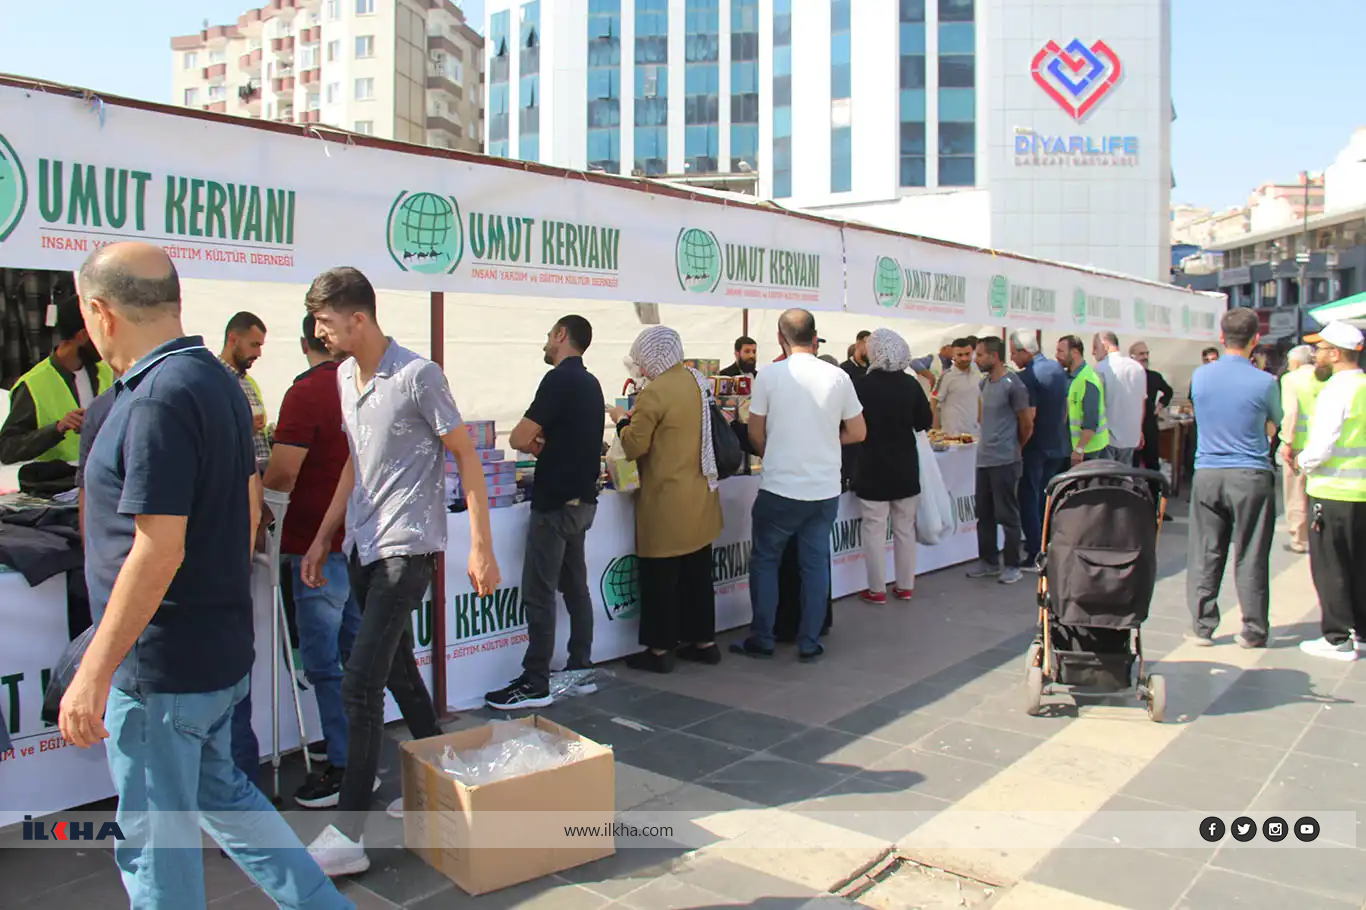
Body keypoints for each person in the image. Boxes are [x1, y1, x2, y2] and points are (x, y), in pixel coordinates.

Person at [60, 242, 351, 910]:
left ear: (101, 313)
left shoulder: (158, 398)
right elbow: (246, 509)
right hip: (213, 656)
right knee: (229, 801)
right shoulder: (216, 382)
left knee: (156, 851)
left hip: (162, 669)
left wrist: (96, 672)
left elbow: (158, 551)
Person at [300, 267, 500, 876]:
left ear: (357, 318)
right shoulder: (340, 378)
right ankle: (448, 785)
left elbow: (465, 455)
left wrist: (480, 546)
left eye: (325, 322)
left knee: (360, 684)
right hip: (362, 546)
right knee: (400, 677)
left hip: (408, 549)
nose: (318, 331)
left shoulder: (418, 376)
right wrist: (321, 537)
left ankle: (348, 833)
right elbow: (352, 466)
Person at [253, 314, 364, 809]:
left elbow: (281, 475)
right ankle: (357, 754)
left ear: (306, 343)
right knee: (358, 657)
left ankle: (345, 764)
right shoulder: (365, 385)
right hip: (357, 542)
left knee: (324, 663)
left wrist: (258, 517)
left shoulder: (308, 393)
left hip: (314, 545)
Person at [732, 309, 866, 662]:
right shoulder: (837, 376)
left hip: (780, 486)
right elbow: (858, 431)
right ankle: (809, 640)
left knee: (765, 561)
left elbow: (755, 433)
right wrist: (822, 439)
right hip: (823, 489)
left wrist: (778, 450)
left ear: (780, 337)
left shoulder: (771, 376)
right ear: (815, 335)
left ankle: (763, 636)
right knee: (815, 564)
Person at [487, 316, 605, 706]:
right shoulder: (590, 382)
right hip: (582, 501)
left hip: (555, 504)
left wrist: (537, 442)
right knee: (575, 587)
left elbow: (519, 436)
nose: (545, 343)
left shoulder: (559, 380)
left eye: (548, 336)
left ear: (560, 335)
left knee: (539, 592)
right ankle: (580, 665)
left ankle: (535, 680)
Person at [608, 327, 723, 673]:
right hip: (700, 494)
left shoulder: (655, 393)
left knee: (660, 576)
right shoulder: (694, 379)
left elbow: (634, 446)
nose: (639, 368)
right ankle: (704, 642)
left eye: (641, 361)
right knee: (698, 574)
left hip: (666, 499)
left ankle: (659, 650)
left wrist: (620, 421)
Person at [1187, 308, 1281, 649]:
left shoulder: (1201, 376)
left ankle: (1202, 625)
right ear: (1256, 340)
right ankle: (1253, 629)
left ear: (1222, 338)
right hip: (1251, 473)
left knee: (1205, 550)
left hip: (1208, 472)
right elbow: (1275, 423)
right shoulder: (1266, 382)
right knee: (1251, 552)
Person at [1296, 322, 1366, 661]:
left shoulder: (1336, 391)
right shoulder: (1364, 386)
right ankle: (1362, 632)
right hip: (1361, 492)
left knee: (1331, 567)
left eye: (1320, 349)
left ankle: (1337, 637)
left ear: (1335, 354)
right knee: (1359, 565)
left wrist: (1302, 461)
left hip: (1333, 491)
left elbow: (1322, 445)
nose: (1315, 356)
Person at [0, 295, 115, 492]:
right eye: (101, 332)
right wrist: (57, 429)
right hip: (58, 489)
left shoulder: (106, 371)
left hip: (103, 482)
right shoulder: (33, 384)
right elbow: (7, 450)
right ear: (82, 335)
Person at [851, 329, 933, 603]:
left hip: (872, 466)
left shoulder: (861, 385)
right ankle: (905, 585)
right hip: (905, 467)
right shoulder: (910, 384)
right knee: (904, 529)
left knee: (874, 530)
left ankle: (876, 589)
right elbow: (924, 421)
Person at [965, 337, 1033, 585]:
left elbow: (1026, 424)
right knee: (984, 513)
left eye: (980, 355)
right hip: (984, 459)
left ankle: (1012, 564)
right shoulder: (985, 384)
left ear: (994, 356)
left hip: (1005, 460)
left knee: (1007, 514)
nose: (976, 359)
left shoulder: (1013, 385)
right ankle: (989, 560)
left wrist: (1014, 446)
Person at [1010, 330, 1070, 567]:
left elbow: (1029, 418)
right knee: (1048, 499)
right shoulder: (1057, 369)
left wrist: (1021, 444)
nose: (1012, 358)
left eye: (1015, 353)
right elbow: (1064, 408)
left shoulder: (1028, 376)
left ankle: (1035, 550)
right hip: (1057, 443)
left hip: (1036, 447)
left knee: (1029, 498)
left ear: (1026, 351)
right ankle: (1049, 545)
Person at [1277, 343, 1329, 554]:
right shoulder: (1325, 378)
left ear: (1295, 362)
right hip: (1321, 444)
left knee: (1295, 493)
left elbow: (1290, 413)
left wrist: (1286, 441)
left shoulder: (1291, 379)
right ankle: (1319, 534)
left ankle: (1299, 538)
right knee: (1317, 492)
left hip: (1298, 445)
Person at [219, 311, 272, 473]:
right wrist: (246, 429)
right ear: (233, 339)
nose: (258, 354)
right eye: (254, 345)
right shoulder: (213, 379)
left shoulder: (248, 382)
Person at [1092, 332, 1146, 466]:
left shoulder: (1101, 368)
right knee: (1125, 479)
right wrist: (1139, 429)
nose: (1092, 352)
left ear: (1104, 346)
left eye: (1094, 347)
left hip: (1108, 438)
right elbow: (1142, 401)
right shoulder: (1137, 368)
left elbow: (1095, 404)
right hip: (1130, 436)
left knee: (1107, 480)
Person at [1130, 340, 1173, 509]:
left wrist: (1160, 405)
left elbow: (1167, 391)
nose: (1145, 357)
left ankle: (1155, 507)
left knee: (1153, 467)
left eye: (1147, 354)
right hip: (1132, 426)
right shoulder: (1130, 375)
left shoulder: (1153, 376)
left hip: (1149, 426)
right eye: (1141, 354)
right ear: (1132, 356)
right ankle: (1132, 506)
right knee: (1131, 467)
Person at [1057, 335, 1111, 464]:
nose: (1057, 356)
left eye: (1061, 351)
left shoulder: (1088, 380)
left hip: (1089, 452)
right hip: (1072, 449)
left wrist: (1079, 449)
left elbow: (1091, 422)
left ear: (1075, 353)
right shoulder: (1068, 376)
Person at [934, 337, 982, 437]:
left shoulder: (977, 373)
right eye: (960, 355)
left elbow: (979, 398)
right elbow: (934, 401)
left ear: (972, 353)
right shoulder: (947, 376)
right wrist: (936, 429)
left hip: (974, 435)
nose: (964, 358)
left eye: (967, 354)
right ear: (953, 355)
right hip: (952, 436)